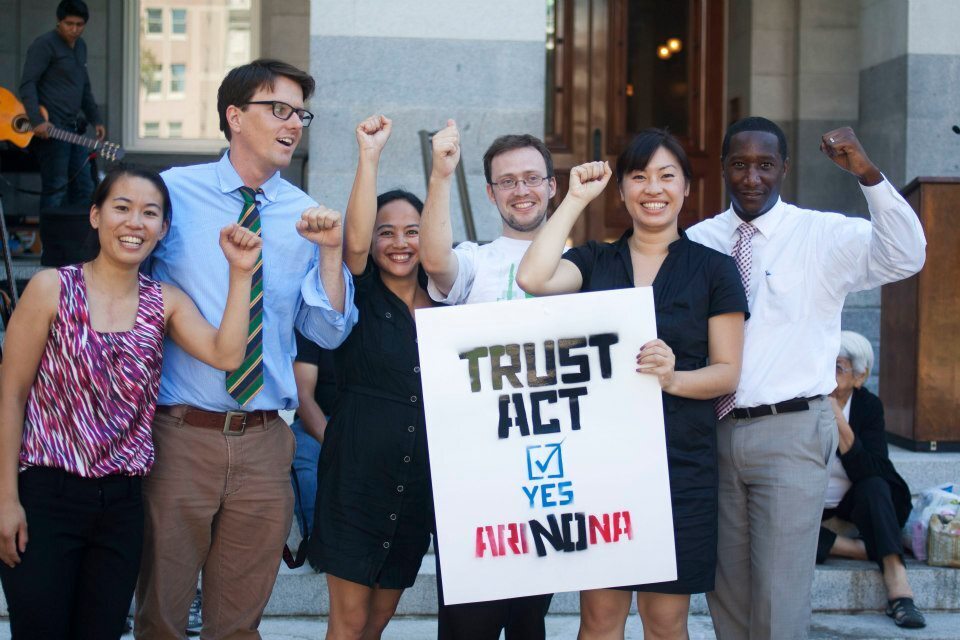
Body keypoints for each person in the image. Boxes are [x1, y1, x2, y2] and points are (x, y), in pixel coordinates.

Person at [133, 59, 356, 640]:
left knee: (238, 625)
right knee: (161, 617)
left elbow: (328, 332)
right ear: (234, 116)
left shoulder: (305, 213)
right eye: (277, 109)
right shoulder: (172, 195)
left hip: (264, 441)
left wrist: (331, 254)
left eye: (300, 113)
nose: (293, 124)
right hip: (179, 434)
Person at [685, 117, 927, 639]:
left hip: (791, 430)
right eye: (740, 164)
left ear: (785, 169)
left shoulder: (822, 234)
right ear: (724, 168)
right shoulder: (700, 240)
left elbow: (906, 255)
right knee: (726, 589)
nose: (752, 177)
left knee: (780, 590)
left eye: (765, 165)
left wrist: (867, 175)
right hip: (714, 431)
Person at [0, 166, 261, 639]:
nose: (134, 222)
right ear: (96, 216)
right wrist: (4, 499)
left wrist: (241, 273)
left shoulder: (164, 302)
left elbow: (227, 353)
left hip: (121, 505)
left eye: (150, 213)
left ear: (162, 230)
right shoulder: (51, 289)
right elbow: (10, 394)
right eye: (121, 208)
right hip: (45, 495)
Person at [517, 129, 747, 640]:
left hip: (681, 467)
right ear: (620, 191)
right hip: (603, 468)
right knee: (600, 620)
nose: (653, 188)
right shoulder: (596, 261)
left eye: (668, 176)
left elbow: (728, 372)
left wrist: (673, 377)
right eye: (639, 177)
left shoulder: (714, 270)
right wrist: (575, 198)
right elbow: (532, 279)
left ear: (687, 188)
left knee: (665, 622)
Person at [419, 123, 557, 639]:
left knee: (528, 623)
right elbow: (435, 261)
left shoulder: (586, 265)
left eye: (531, 178)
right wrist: (441, 173)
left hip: (550, 472)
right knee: (467, 625)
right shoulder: (476, 260)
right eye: (507, 182)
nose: (521, 190)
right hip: (474, 474)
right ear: (491, 193)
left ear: (552, 186)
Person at [308, 114, 435, 640]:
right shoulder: (358, 293)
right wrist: (369, 156)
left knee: (379, 621)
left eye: (413, 232)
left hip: (418, 484)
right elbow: (353, 245)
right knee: (349, 622)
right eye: (388, 232)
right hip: (356, 477)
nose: (400, 243)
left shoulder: (450, 300)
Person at [818, 331, 925, 629]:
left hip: (855, 508)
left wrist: (839, 420)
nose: (828, 373)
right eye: (825, 364)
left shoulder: (867, 406)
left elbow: (872, 469)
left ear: (860, 377)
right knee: (780, 528)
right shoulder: (805, 401)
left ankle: (899, 589)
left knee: (875, 485)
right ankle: (862, 548)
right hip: (814, 513)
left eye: (838, 367)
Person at [19, 0, 105, 211]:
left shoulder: (81, 47)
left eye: (79, 24)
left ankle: (77, 242)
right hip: (51, 129)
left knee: (85, 187)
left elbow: (84, 86)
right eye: (69, 24)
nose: (74, 29)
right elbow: (28, 84)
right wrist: (36, 120)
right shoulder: (44, 44)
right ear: (59, 21)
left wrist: (96, 119)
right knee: (56, 187)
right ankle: (49, 244)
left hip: (73, 128)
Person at [290, 330, 337, 546]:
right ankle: (318, 542)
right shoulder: (315, 324)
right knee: (302, 453)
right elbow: (303, 395)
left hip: (364, 422)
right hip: (319, 421)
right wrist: (335, 445)